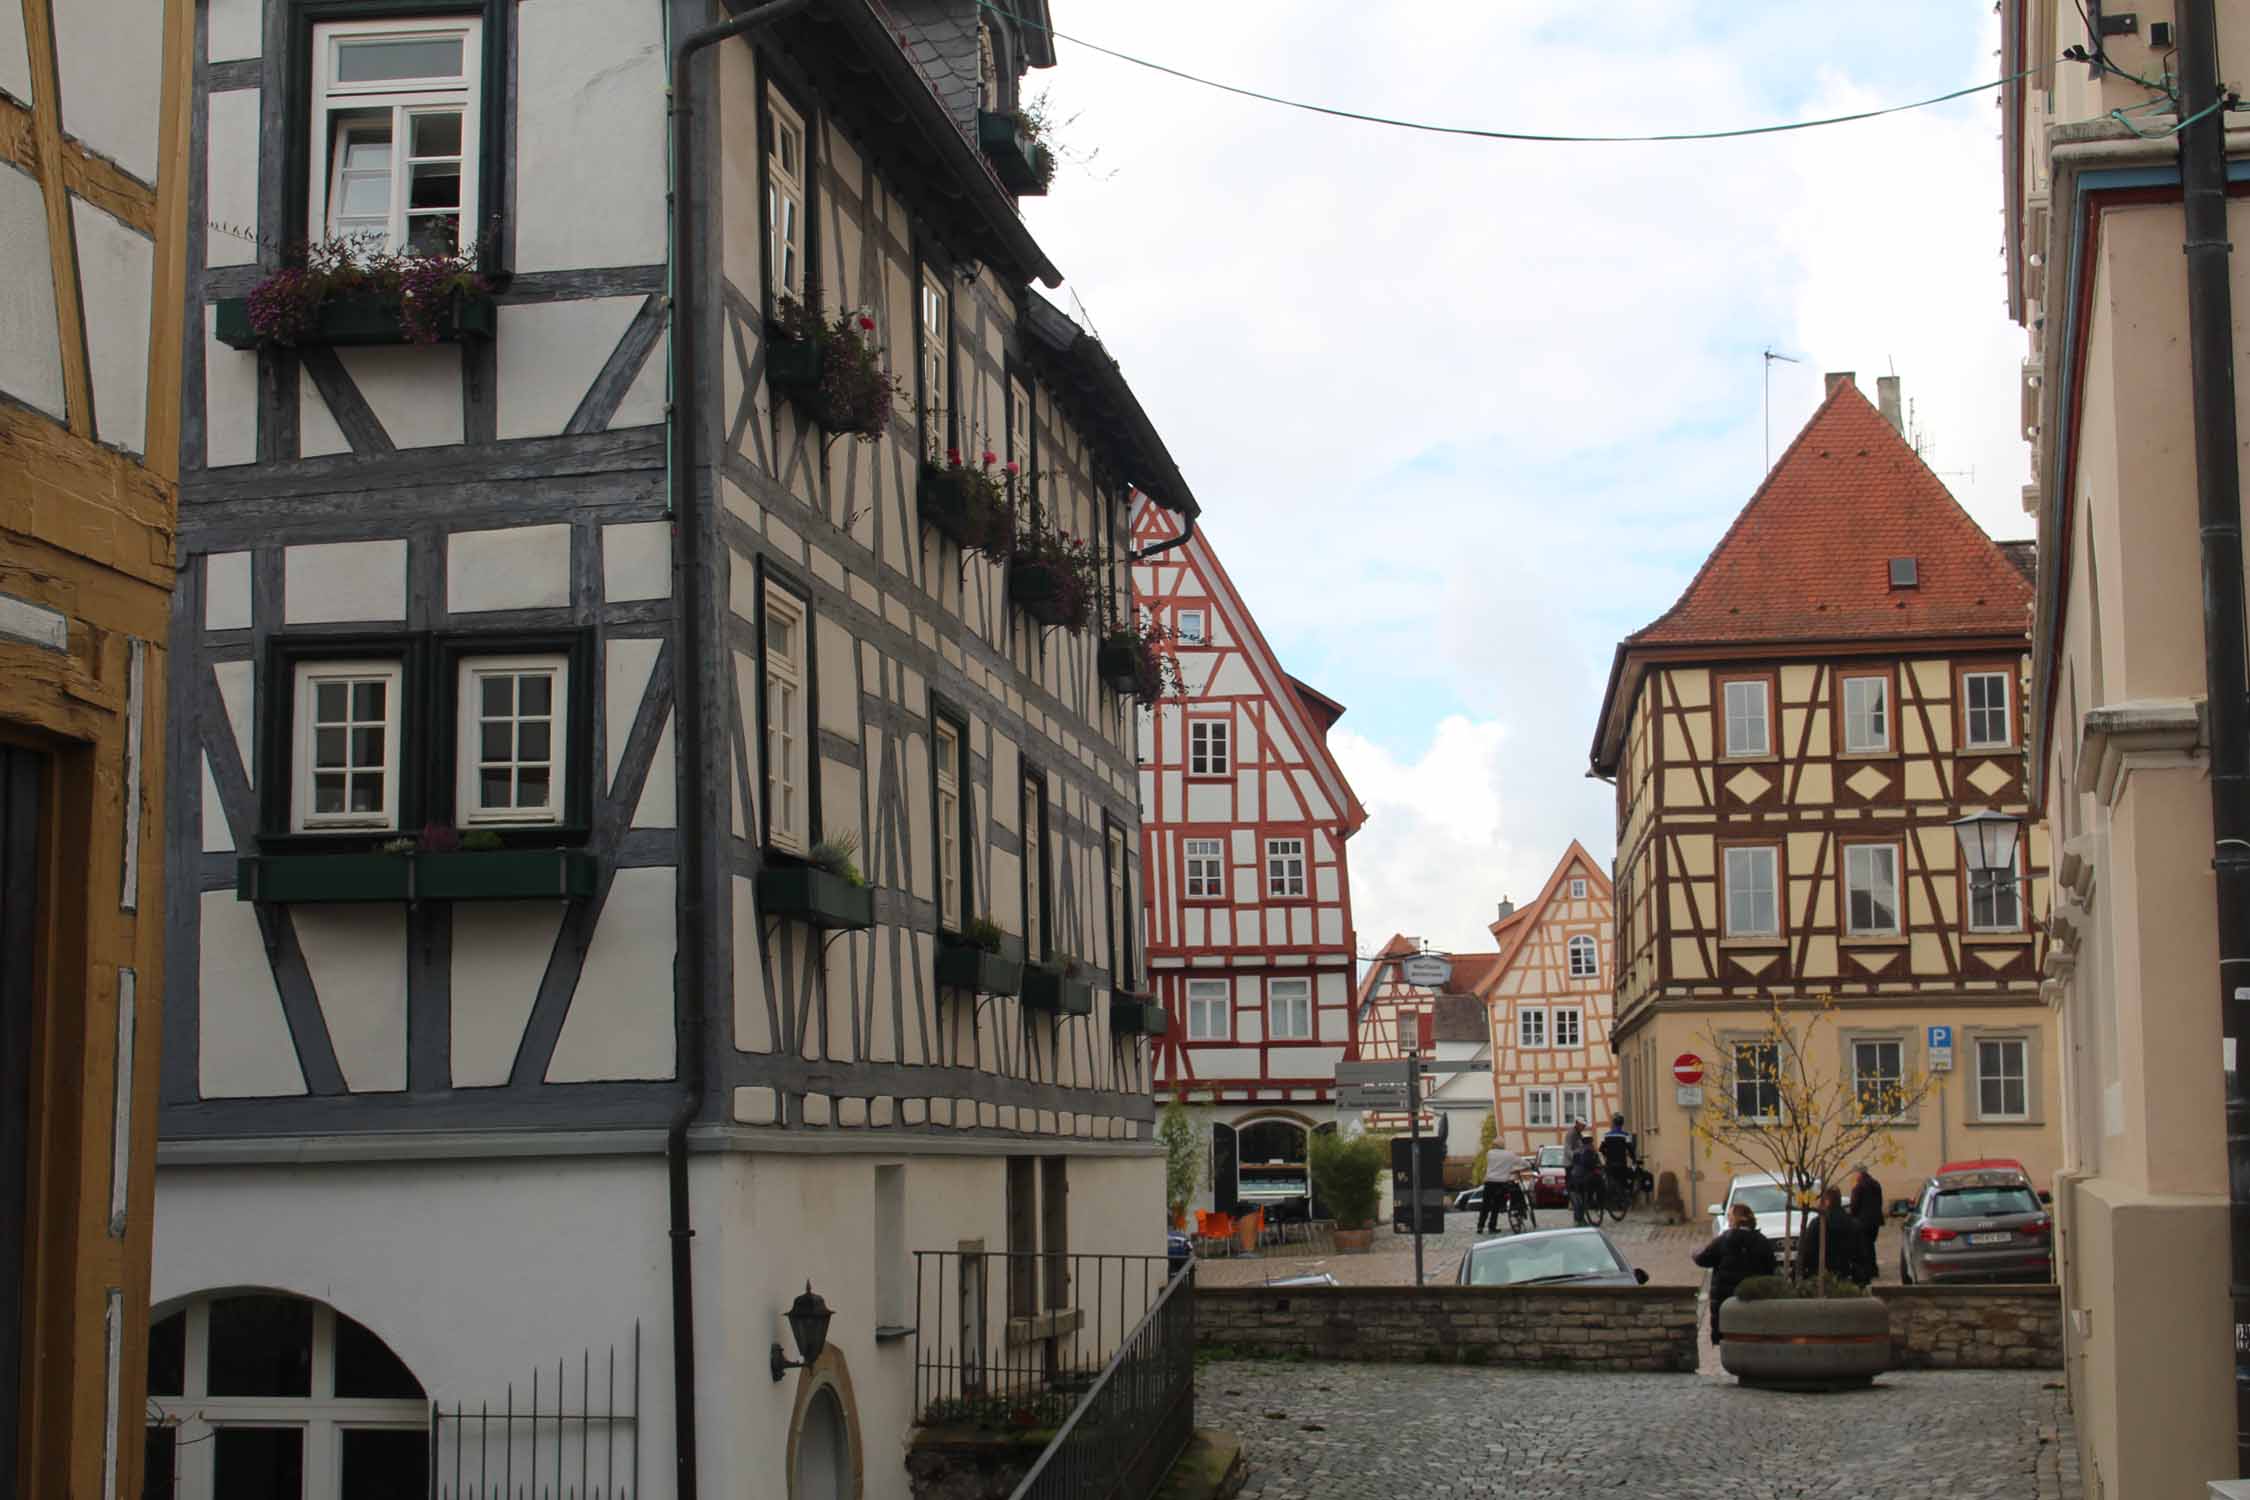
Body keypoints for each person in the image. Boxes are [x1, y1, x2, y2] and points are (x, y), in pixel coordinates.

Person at [1693, 1200, 1777, 1344]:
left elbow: (1703, 1259)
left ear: (1735, 1220)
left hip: (1726, 1303)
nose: (1728, 1220)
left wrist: (1695, 1252)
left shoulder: (1724, 1240)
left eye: (1730, 1217)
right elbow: (1771, 1269)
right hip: (1755, 1301)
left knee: (1729, 1339)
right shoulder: (1762, 1241)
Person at [1797, 1186, 1870, 1284]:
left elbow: (1807, 1252)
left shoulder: (1817, 1224)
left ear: (1827, 1202)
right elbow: (1862, 1254)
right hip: (1848, 1275)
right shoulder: (1853, 1224)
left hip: (1820, 1278)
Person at [1477, 1143, 1530, 1233]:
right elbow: (1523, 1163)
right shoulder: (1510, 1155)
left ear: (1494, 1145)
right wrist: (1529, 1165)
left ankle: (1480, 1227)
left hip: (1489, 1182)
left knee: (1485, 1205)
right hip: (1501, 1183)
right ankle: (1492, 1227)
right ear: (1503, 1146)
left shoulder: (1489, 1153)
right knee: (1496, 1206)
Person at [1848, 1164, 1886, 1282]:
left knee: (1865, 1246)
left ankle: (1868, 1271)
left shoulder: (1859, 1187)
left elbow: (1854, 1206)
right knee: (1870, 1245)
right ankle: (1873, 1269)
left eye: (1854, 1173)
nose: (1854, 1176)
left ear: (1859, 1173)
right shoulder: (1876, 1184)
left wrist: (1851, 1217)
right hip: (1875, 1221)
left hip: (1863, 1221)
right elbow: (1880, 1202)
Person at [1599, 1114, 1639, 1203]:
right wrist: (1634, 1160)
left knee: (1610, 1177)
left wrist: (1607, 1155)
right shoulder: (1625, 1135)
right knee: (1629, 1176)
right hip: (1621, 1164)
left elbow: (1600, 1149)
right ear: (1622, 1124)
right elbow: (1630, 1149)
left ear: (1613, 1123)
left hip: (1609, 1165)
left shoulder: (1606, 1135)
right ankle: (1626, 1196)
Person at [1565, 1137, 1604, 1225]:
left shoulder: (1577, 1151)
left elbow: (1573, 1164)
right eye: (1592, 1143)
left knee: (1578, 1199)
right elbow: (1592, 1165)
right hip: (1584, 1179)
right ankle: (1597, 1201)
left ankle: (1578, 1219)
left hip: (1574, 1178)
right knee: (1599, 1184)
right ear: (1590, 1143)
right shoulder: (1590, 1151)